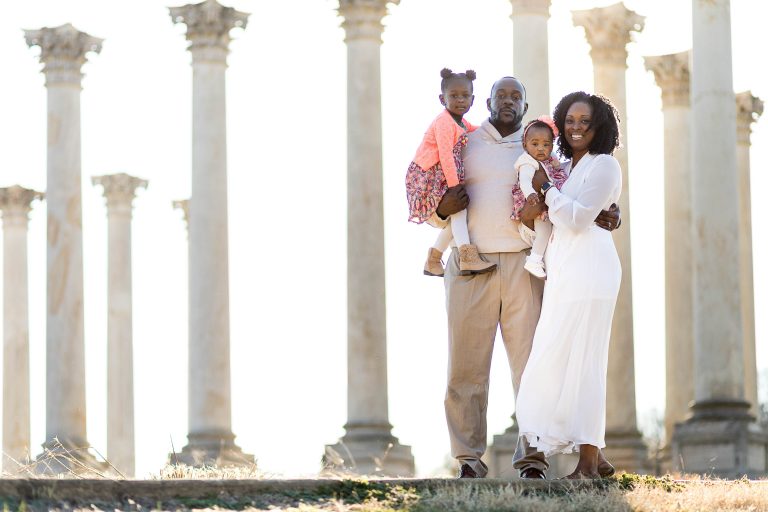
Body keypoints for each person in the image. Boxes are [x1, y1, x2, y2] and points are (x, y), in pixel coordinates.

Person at [427, 77, 621, 479]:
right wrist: (441, 212)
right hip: (469, 262)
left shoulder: (542, 146)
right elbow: (433, 197)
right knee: (466, 368)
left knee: (533, 365)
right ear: (488, 101)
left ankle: (532, 459)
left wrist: (610, 212)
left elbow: (578, 192)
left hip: (525, 263)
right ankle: (468, 459)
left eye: (518, 96)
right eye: (502, 95)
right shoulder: (463, 141)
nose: (509, 102)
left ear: (528, 104)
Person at [514, 91, 623, 479]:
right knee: (560, 359)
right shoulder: (566, 168)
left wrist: (545, 191)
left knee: (586, 362)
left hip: (592, 272)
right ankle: (597, 454)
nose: (577, 127)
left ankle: (589, 463)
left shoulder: (605, 165)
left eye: (585, 120)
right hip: (565, 273)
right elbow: (558, 221)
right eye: (571, 120)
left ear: (600, 126)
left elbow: (576, 220)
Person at [406, 68, 496, 277]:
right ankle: (466, 257)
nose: (460, 100)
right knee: (459, 209)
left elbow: (475, 129)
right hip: (427, 174)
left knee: (459, 214)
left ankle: (434, 259)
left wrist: (492, 125)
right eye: (454, 96)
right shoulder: (444, 122)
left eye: (465, 96)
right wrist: (455, 186)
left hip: (439, 173)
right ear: (442, 99)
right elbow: (446, 155)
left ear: (473, 100)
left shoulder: (460, 122)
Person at [510, 116, 568, 278]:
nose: (540, 149)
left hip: (545, 201)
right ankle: (534, 260)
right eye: (535, 144)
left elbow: (556, 166)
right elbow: (525, 181)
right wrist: (530, 195)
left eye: (546, 144)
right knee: (544, 230)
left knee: (549, 231)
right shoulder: (528, 162)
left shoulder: (547, 159)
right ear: (525, 145)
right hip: (534, 202)